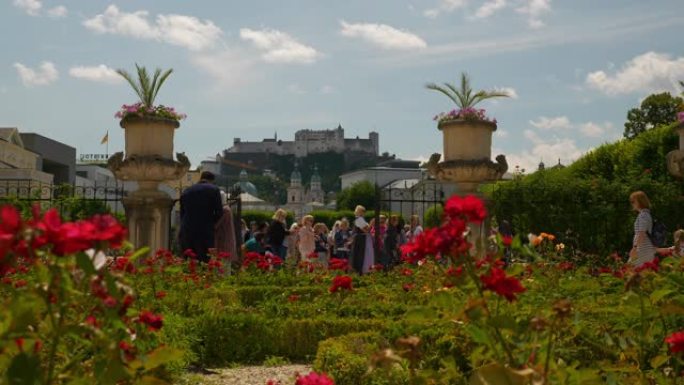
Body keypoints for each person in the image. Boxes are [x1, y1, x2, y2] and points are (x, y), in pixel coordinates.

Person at [179, 171, 224, 263]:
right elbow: (219, 212)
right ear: (211, 180)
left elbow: (182, 213)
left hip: (187, 230)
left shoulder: (186, 191)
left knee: (189, 260)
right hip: (205, 231)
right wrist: (212, 223)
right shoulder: (214, 189)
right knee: (204, 260)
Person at [628, 191, 657, 267]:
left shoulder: (643, 215)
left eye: (633, 201)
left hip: (642, 248)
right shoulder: (646, 214)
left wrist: (635, 248)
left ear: (639, 202)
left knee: (628, 270)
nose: (632, 204)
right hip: (645, 248)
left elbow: (642, 234)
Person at [214, 190, 238, 264]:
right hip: (225, 238)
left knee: (224, 264)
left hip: (224, 239)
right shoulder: (226, 209)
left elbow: (216, 226)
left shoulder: (225, 210)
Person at [350, 205, 374, 274]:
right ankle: (359, 270)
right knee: (360, 255)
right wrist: (371, 223)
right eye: (362, 211)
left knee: (364, 255)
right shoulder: (359, 219)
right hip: (360, 239)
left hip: (364, 239)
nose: (364, 212)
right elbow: (366, 230)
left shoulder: (361, 219)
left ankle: (363, 270)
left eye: (364, 211)